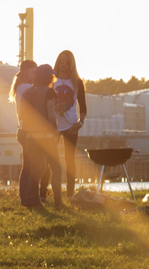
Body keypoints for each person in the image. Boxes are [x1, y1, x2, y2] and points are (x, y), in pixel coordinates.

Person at [14, 62, 58, 208]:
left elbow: (22, 114)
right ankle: (33, 199)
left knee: (31, 167)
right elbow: (50, 115)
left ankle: (28, 199)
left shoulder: (25, 90)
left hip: (26, 132)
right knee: (39, 168)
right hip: (38, 134)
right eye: (32, 72)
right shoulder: (35, 90)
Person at [51, 51, 86, 200]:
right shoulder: (51, 80)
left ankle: (70, 195)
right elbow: (43, 102)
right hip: (53, 125)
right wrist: (54, 107)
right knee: (50, 159)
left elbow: (83, 106)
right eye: (61, 62)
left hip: (71, 126)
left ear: (72, 64)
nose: (63, 65)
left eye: (67, 62)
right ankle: (47, 194)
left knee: (70, 160)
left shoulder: (77, 82)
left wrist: (80, 123)